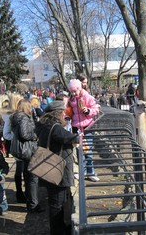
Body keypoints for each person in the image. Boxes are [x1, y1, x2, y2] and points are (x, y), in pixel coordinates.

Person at [35, 100, 80, 235]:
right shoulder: (55, 127)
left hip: (50, 166)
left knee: (57, 201)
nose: (65, 116)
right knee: (57, 203)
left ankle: (60, 227)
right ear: (58, 113)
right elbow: (69, 138)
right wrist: (79, 137)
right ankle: (57, 231)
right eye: (63, 113)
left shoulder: (45, 125)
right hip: (56, 169)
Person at [10, 99, 44, 213]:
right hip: (29, 150)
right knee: (33, 178)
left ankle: (30, 201)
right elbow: (24, 134)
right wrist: (35, 135)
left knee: (28, 176)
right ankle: (33, 204)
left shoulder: (16, 117)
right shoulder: (24, 117)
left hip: (24, 151)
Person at [68, 79, 100, 182]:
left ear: (79, 88)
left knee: (88, 150)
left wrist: (88, 111)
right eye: (71, 91)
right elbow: (69, 111)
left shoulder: (87, 97)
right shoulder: (71, 99)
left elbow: (96, 108)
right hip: (76, 127)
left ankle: (91, 171)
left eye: (74, 91)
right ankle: (83, 172)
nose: (73, 93)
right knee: (79, 151)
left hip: (87, 127)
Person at [2, 94, 27, 203]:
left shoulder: (25, 114)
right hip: (18, 147)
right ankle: (19, 193)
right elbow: (6, 134)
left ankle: (28, 192)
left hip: (27, 147)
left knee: (27, 170)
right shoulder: (10, 117)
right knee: (19, 170)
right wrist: (17, 137)